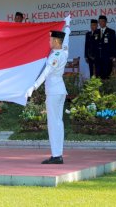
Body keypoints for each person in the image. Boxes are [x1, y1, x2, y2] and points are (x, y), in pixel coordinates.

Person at [35, 16, 71, 165]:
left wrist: (33, 86)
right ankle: (58, 153)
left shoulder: (55, 56)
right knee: (57, 122)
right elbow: (67, 39)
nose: (49, 42)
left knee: (53, 123)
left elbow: (46, 72)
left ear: (56, 41)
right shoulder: (64, 50)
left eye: (50, 40)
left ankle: (57, 155)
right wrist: (67, 26)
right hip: (59, 90)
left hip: (54, 91)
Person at [94, 15, 116, 79]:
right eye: (99, 21)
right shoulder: (96, 32)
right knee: (98, 76)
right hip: (98, 58)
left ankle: (107, 89)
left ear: (106, 22)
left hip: (107, 57)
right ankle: (99, 89)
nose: (101, 23)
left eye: (102, 21)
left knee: (107, 75)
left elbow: (113, 44)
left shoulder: (111, 32)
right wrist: (93, 55)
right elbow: (93, 44)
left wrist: (113, 56)